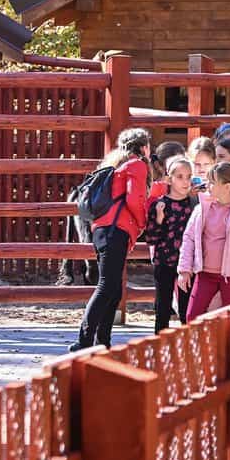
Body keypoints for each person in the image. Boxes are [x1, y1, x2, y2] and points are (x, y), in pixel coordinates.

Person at [70, 127, 152, 351]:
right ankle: (84, 340)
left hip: (101, 231)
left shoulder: (113, 164)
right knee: (107, 286)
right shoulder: (137, 165)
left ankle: (102, 341)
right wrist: (144, 223)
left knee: (114, 288)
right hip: (116, 230)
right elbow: (135, 199)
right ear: (144, 147)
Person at [176, 162, 230, 321]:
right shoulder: (202, 208)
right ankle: (201, 347)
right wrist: (184, 269)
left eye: (212, 182)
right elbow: (188, 239)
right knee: (192, 317)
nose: (207, 185)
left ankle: (227, 347)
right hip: (205, 274)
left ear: (227, 187)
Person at [146, 156, 196, 331]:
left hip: (187, 263)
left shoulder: (194, 205)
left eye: (189, 176)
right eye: (180, 177)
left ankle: (188, 345)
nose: (185, 181)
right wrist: (159, 220)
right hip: (165, 261)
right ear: (169, 179)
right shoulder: (160, 204)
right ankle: (160, 345)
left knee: (187, 308)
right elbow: (151, 238)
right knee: (163, 306)